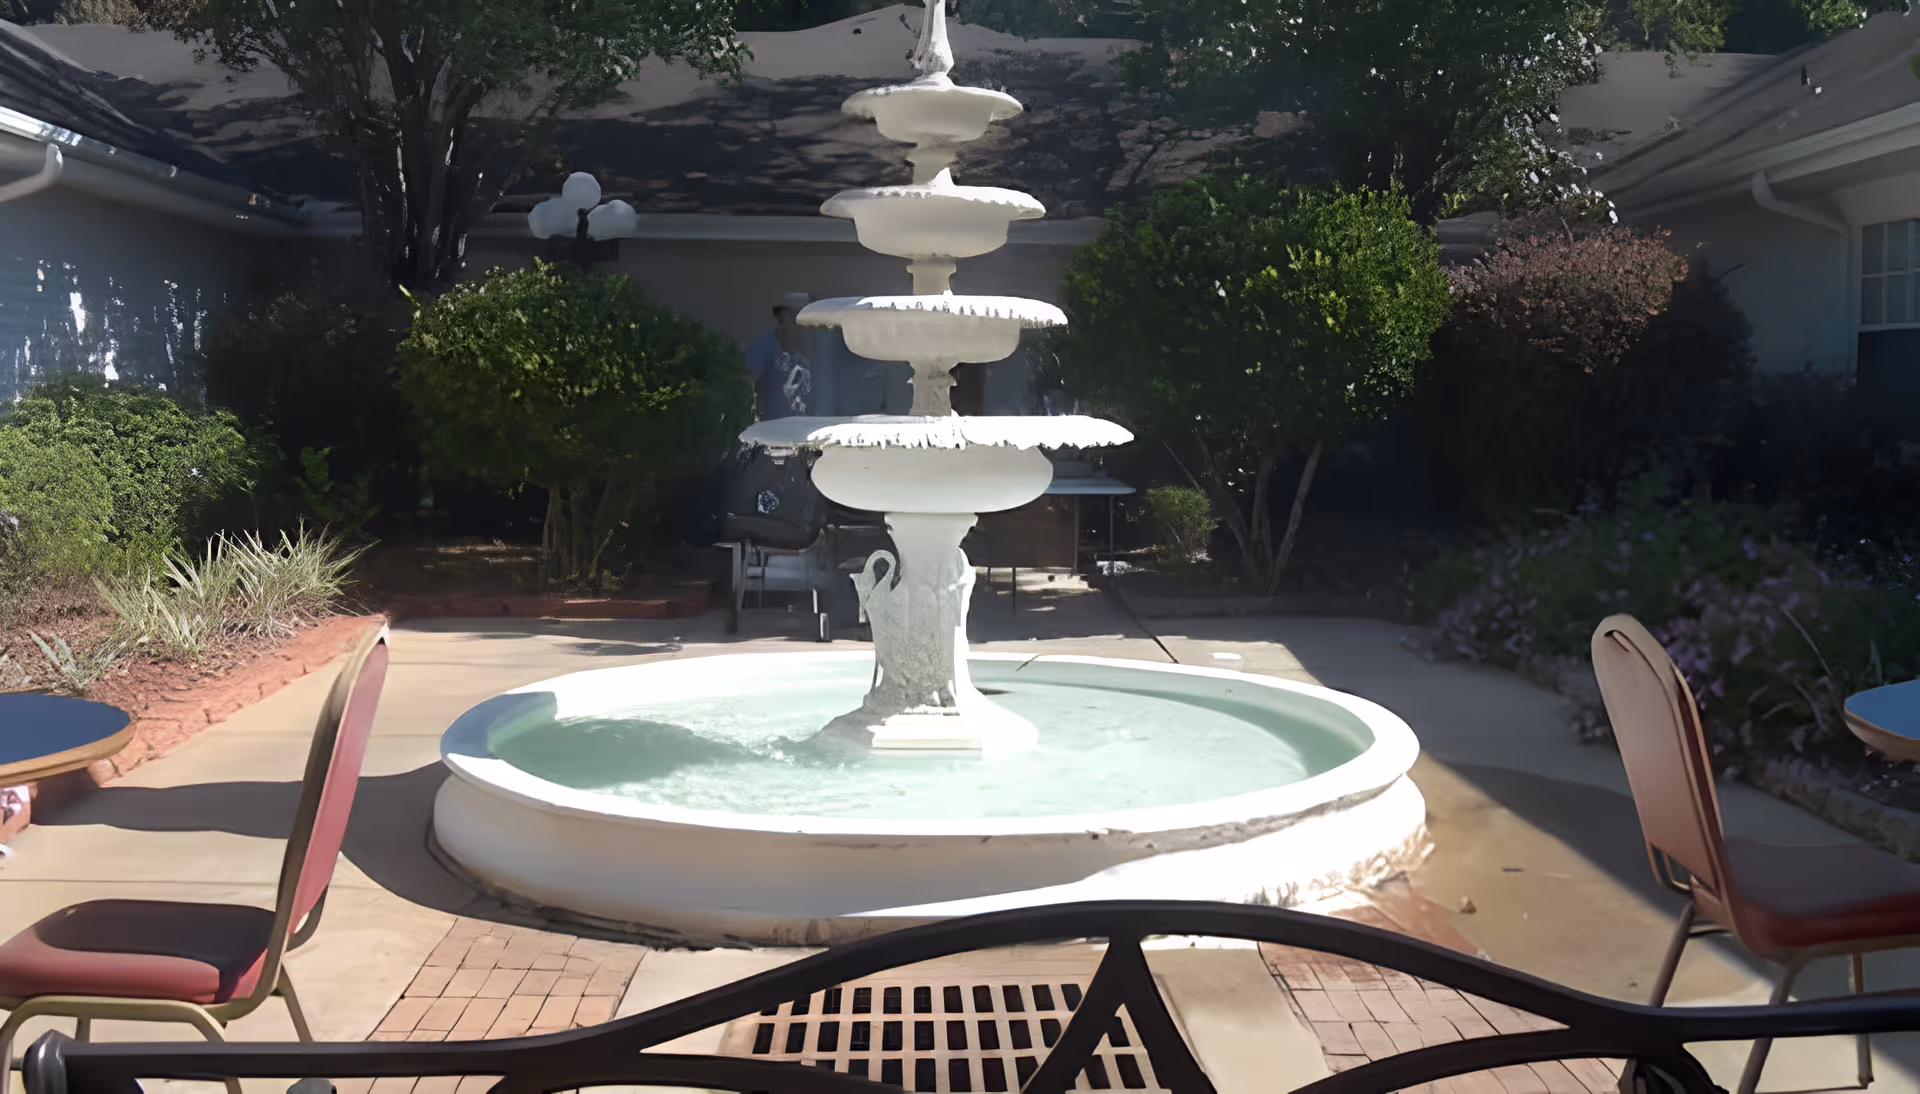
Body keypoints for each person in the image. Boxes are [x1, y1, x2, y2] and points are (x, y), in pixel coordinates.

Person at [745, 292, 814, 420]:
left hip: (805, 424)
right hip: (772, 427)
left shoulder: (813, 346)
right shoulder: (763, 348)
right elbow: (749, 384)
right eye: (781, 319)